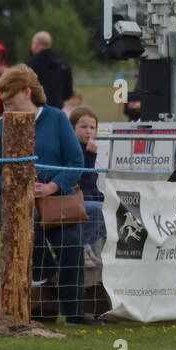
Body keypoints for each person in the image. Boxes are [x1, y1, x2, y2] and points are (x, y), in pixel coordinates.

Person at [0, 65, 97, 325]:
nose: (6, 109)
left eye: (10, 102)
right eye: (4, 104)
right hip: (11, 200)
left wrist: (52, 186)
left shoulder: (57, 119)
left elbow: (75, 161)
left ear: (27, 92)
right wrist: (13, 187)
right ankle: (47, 272)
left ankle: (74, 312)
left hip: (56, 199)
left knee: (71, 242)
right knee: (25, 215)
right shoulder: (0, 129)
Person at [70, 105, 106, 267]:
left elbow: (92, 185)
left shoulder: (89, 148)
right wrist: (90, 157)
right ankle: (81, 245)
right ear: (72, 128)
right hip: (73, 199)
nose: (88, 131)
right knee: (97, 209)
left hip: (88, 197)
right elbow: (83, 182)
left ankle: (88, 244)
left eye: (92, 127)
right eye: (83, 127)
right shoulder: (72, 149)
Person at [25, 31, 73, 110]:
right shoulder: (63, 65)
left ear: (36, 44)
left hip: (36, 111)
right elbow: (68, 93)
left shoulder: (30, 65)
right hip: (57, 110)